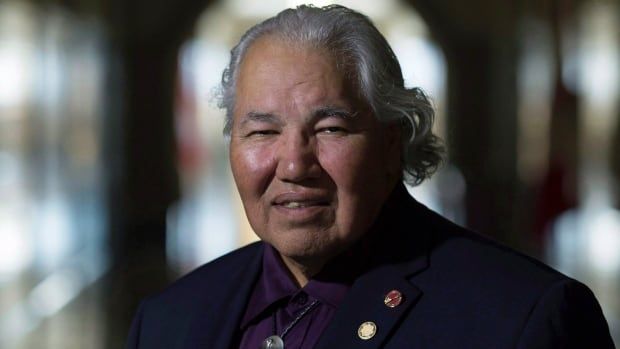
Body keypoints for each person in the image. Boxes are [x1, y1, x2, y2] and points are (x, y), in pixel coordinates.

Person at [126, 5, 614, 349]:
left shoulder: (526, 319)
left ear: (392, 142)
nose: (294, 165)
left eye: (331, 128)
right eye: (262, 131)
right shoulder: (168, 320)